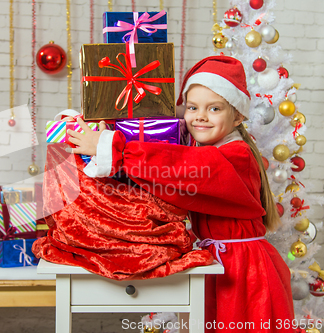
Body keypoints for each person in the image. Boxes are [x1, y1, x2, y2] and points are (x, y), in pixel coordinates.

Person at [66, 56, 294, 332]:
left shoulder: (237, 155)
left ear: (238, 116)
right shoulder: (208, 148)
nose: (200, 116)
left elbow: (181, 168)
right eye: (193, 107)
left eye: (214, 108)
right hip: (214, 261)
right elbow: (172, 174)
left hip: (244, 268)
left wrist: (113, 148)